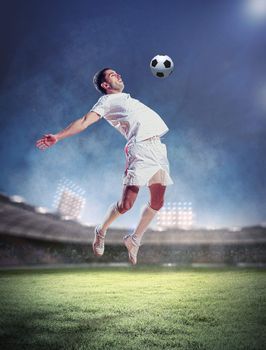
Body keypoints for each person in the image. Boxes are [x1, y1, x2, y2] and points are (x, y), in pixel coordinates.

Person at [36, 68, 173, 265]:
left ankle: (134, 239)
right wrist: (58, 136)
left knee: (158, 203)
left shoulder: (127, 99)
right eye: (112, 75)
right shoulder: (106, 101)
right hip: (140, 149)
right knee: (126, 205)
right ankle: (101, 230)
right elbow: (84, 121)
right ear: (105, 85)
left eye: (117, 72)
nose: (118, 75)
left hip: (158, 149)